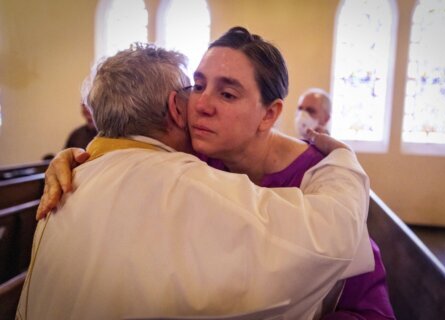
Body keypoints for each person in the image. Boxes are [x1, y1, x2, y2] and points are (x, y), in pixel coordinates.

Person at [37, 27, 395, 319]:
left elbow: (368, 308)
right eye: (197, 85)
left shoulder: (317, 180)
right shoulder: (194, 161)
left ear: (269, 115)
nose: (202, 105)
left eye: (226, 94)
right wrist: (84, 157)